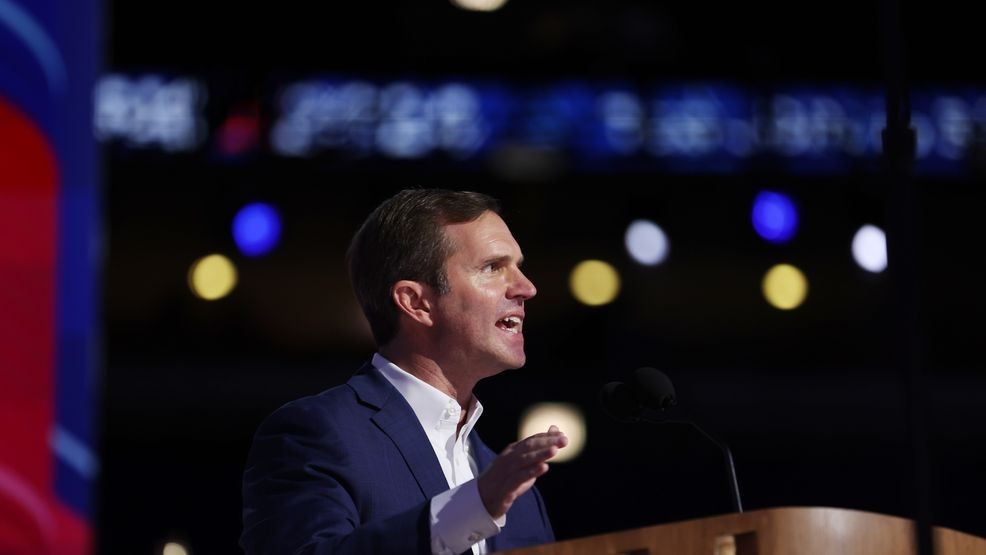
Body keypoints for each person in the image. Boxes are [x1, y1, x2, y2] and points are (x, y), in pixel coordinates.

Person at [241, 189, 569, 555]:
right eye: (493, 267)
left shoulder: (517, 490)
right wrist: (471, 510)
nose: (527, 288)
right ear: (416, 302)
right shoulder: (316, 434)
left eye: (519, 266)